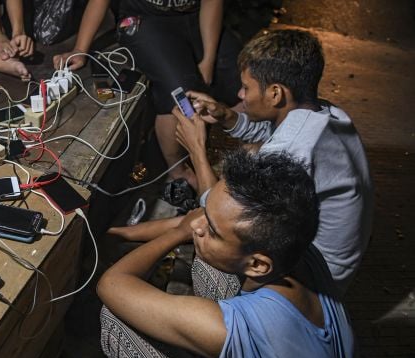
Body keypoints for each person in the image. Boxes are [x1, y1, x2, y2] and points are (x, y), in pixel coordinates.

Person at [111, 29, 374, 295]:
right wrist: (227, 116)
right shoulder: (323, 113)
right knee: (242, 162)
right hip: (328, 257)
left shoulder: (290, 154)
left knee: (212, 240)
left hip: (314, 281)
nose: (239, 94)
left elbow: (218, 213)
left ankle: (228, 318)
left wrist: (197, 149)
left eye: (246, 87)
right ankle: (128, 233)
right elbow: (274, 131)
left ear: (275, 93)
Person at [98, 150, 356, 358]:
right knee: (210, 261)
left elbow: (112, 284)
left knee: (115, 317)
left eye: (212, 230)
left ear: (258, 264)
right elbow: (217, 218)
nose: (197, 225)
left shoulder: (240, 328)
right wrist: (128, 233)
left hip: (256, 333)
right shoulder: (296, 246)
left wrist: (178, 233)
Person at [52, 0, 242, 189]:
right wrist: (80, 49)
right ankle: (178, 170)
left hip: (195, 15)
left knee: (238, 72)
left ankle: (244, 148)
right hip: (147, 19)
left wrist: (208, 59)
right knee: (179, 91)